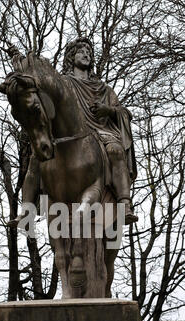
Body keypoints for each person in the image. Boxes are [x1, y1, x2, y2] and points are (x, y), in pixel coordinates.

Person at [62, 37, 138, 224]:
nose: (87, 54)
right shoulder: (64, 83)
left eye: (89, 52)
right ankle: (29, 205)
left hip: (103, 132)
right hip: (73, 134)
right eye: (81, 51)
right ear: (72, 57)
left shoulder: (104, 89)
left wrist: (108, 110)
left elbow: (123, 112)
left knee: (116, 150)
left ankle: (125, 203)